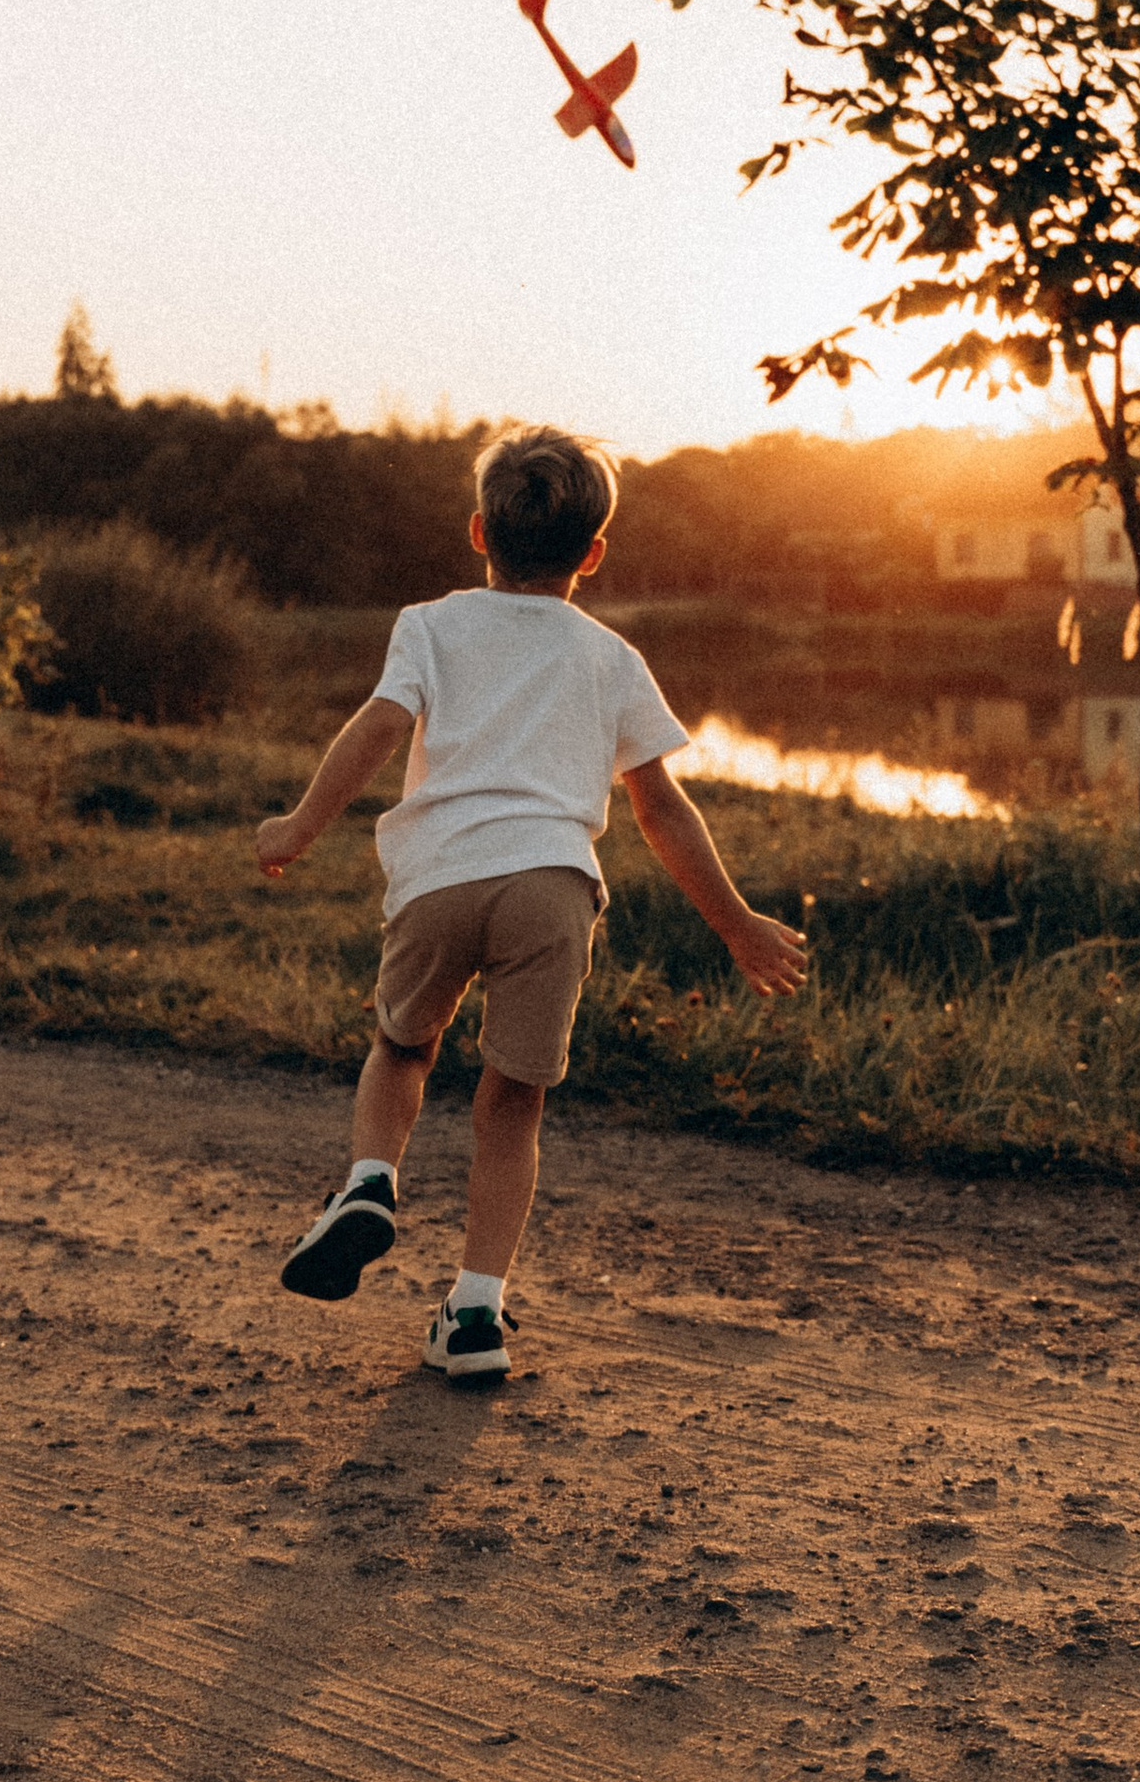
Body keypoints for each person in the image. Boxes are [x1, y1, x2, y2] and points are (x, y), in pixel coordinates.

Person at [254, 425, 809, 1383]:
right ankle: (474, 1316)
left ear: (479, 532)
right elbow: (661, 810)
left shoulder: (428, 623)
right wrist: (737, 925)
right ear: (594, 554)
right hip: (553, 889)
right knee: (511, 1106)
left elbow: (377, 728)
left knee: (402, 1048)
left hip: (440, 880)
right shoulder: (613, 657)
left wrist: (301, 825)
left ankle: (370, 1183)